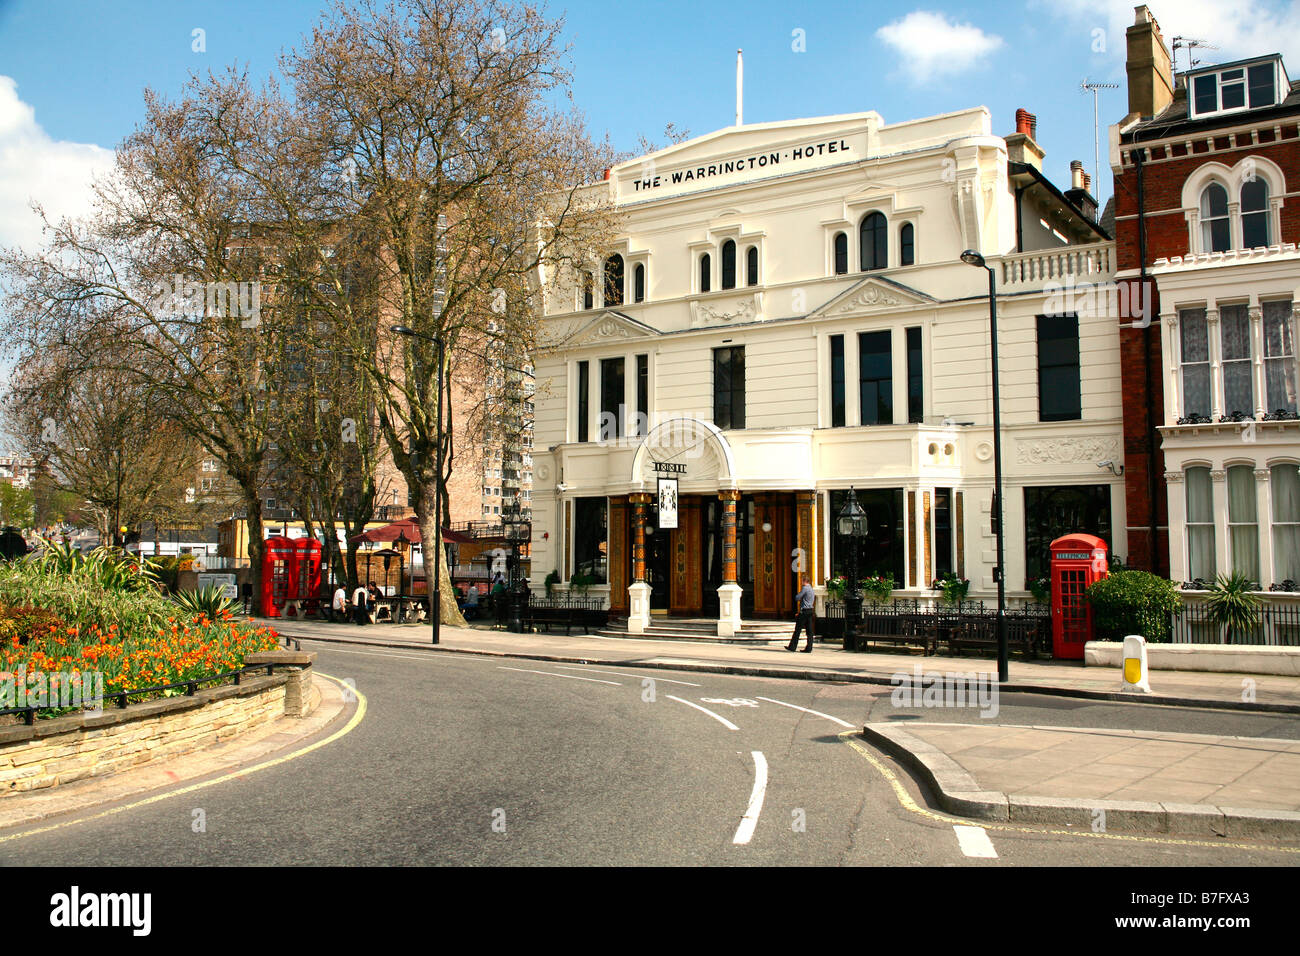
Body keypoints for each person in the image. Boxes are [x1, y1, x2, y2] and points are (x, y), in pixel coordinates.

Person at [787, 578, 816, 652]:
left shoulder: (805, 588)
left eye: (802, 581)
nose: (801, 582)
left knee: (798, 630)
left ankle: (792, 647)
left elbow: (797, 597)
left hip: (804, 611)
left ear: (804, 581)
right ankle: (809, 647)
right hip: (810, 610)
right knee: (809, 630)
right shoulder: (811, 589)